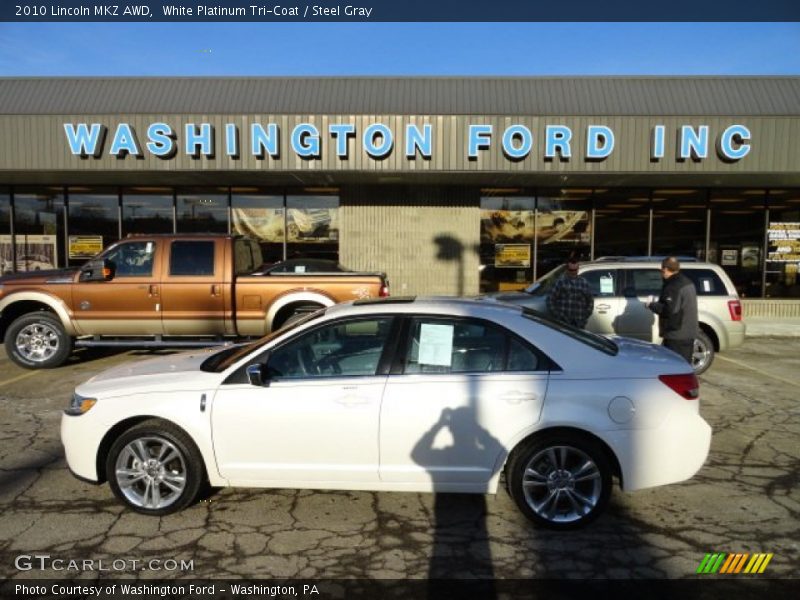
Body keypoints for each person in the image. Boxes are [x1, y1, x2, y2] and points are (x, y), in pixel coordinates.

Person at [648, 256, 698, 364]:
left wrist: (651, 305)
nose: (662, 273)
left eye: (662, 270)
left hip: (676, 334)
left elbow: (669, 310)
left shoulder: (673, 286)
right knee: (684, 365)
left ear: (665, 269)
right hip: (688, 332)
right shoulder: (687, 281)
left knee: (675, 367)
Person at [546, 258, 594, 328]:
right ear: (567, 269)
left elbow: (590, 301)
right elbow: (550, 300)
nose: (573, 272)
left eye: (575, 270)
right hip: (563, 323)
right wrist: (558, 316)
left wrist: (585, 316)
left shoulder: (584, 282)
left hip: (579, 323)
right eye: (571, 270)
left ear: (578, 269)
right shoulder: (560, 282)